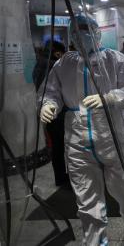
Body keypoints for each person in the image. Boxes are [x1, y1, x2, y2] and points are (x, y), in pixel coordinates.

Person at [38, 14, 124, 245]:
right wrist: (49, 104)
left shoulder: (115, 59)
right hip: (78, 139)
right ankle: (96, 240)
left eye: (86, 29)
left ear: (97, 32)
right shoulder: (63, 63)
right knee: (86, 198)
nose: (81, 34)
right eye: (76, 30)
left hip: (113, 135)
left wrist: (109, 97)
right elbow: (51, 91)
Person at [33, 40, 70, 188]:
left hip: (51, 113)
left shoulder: (40, 63)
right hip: (55, 114)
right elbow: (51, 92)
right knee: (59, 147)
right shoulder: (51, 66)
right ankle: (61, 178)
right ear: (57, 53)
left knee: (58, 146)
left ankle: (61, 177)